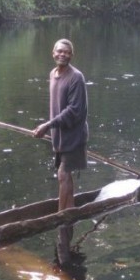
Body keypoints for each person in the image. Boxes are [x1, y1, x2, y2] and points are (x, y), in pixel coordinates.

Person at [34, 38, 89, 264]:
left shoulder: (76, 78)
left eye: (66, 52)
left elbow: (74, 111)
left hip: (74, 135)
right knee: (63, 174)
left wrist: (48, 125)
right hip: (59, 135)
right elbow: (56, 107)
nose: (62, 55)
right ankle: (71, 210)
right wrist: (50, 128)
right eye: (59, 51)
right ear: (53, 52)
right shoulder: (53, 74)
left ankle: (60, 218)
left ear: (71, 55)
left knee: (63, 175)